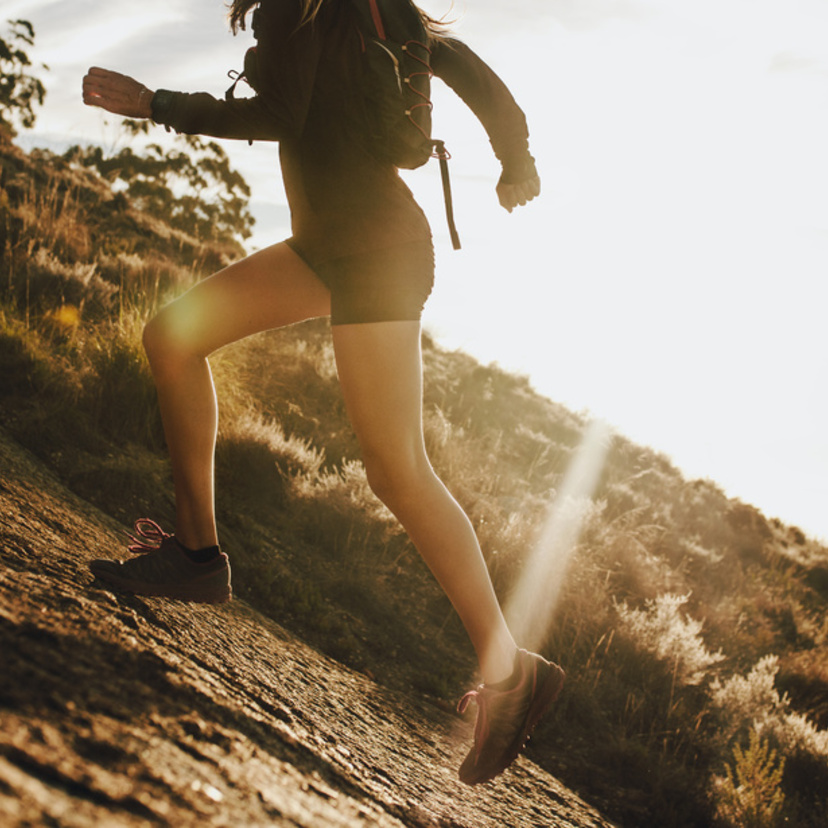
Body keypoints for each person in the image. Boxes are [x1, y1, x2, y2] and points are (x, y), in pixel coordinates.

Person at [82, 0, 564, 786]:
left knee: (397, 469)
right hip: (333, 244)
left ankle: (511, 672)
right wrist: (517, 161)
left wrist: (155, 104)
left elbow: (279, 112)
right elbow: (472, 69)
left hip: (372, 250)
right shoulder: (371, 10)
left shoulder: (304, 7)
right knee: (173, 337)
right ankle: (199, 557)